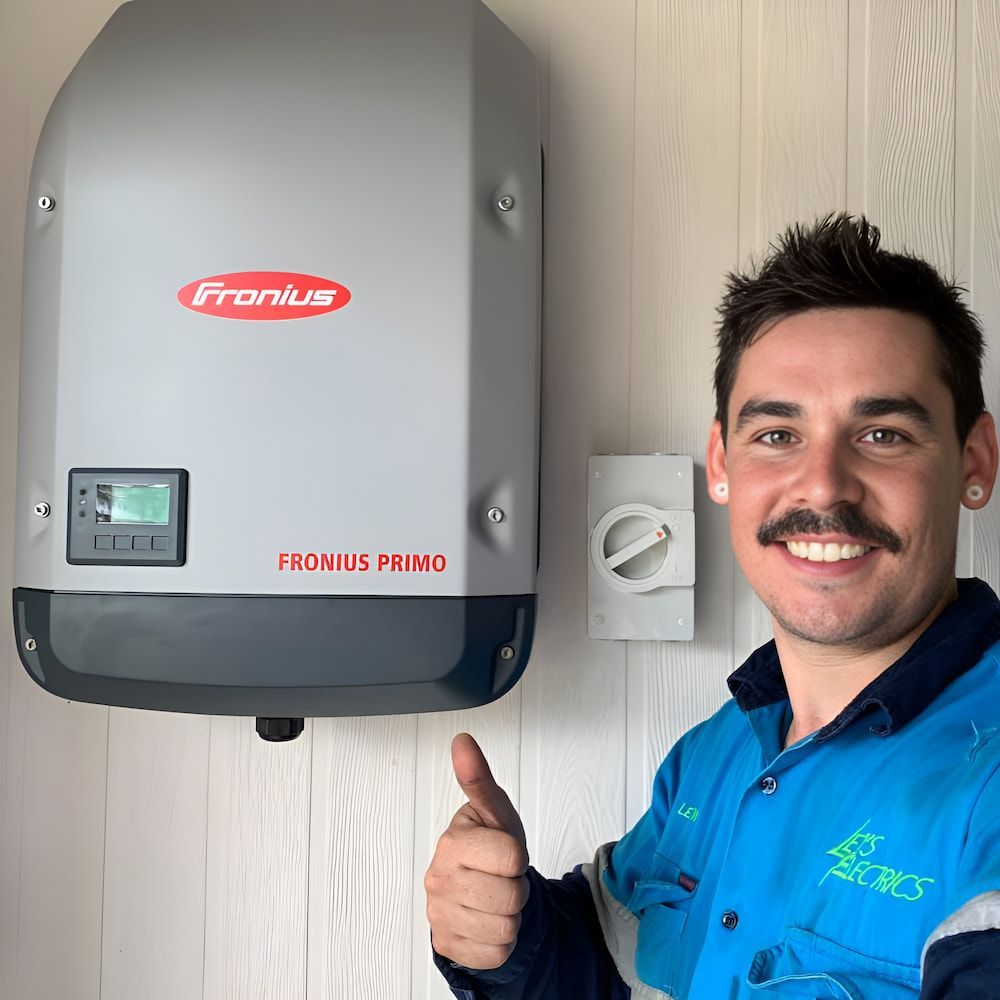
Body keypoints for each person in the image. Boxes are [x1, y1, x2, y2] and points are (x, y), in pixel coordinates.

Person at [424, 214, 1000, 999]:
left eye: (883, 434)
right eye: (776, 435)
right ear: (722, 464)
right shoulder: (713, 754)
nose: (824, 485)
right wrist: (505, 931)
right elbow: (609, 964)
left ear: (974, 462)